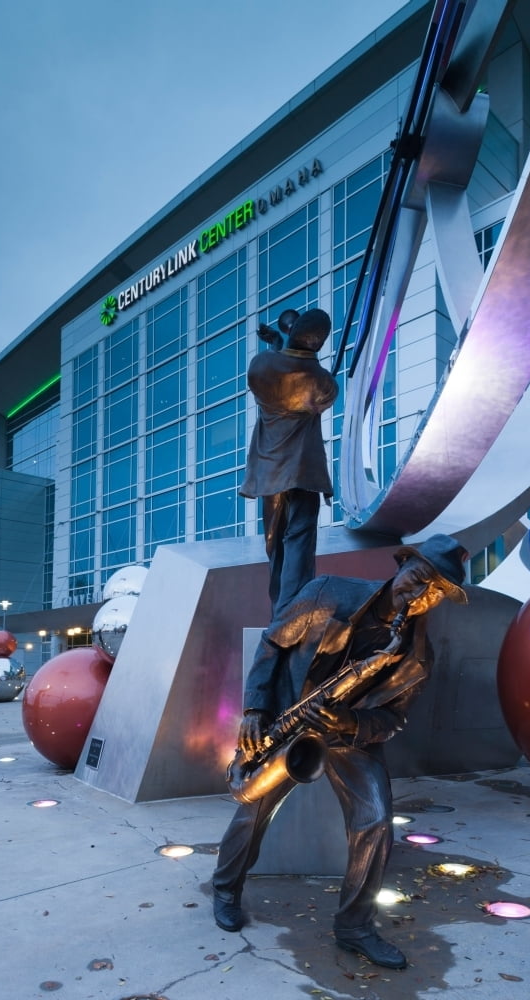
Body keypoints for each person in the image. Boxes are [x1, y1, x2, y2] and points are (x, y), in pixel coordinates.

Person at [212, 534, 469, 970]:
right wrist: (255, 707)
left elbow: (392, 720)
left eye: (436, 592)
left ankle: (355, 926)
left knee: (376, 820)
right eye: (420, 577)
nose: (422, 594)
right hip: (291, 721)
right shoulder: (327, 592)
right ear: (402, 565)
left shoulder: (417, 657)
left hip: (350, 736)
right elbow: (273, 643)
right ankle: (224, 888)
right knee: (254, 807)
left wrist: (352, 725)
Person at [241, 308, 338, 619]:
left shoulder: (260, 366)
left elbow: (279, 370)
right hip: (304, 475)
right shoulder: (323, 381)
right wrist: (296, 349)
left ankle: (279, 615)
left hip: (270, 476)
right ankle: (290, 616)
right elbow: (314, 384)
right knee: (299, 545)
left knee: (276, 550)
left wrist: (278, 345)